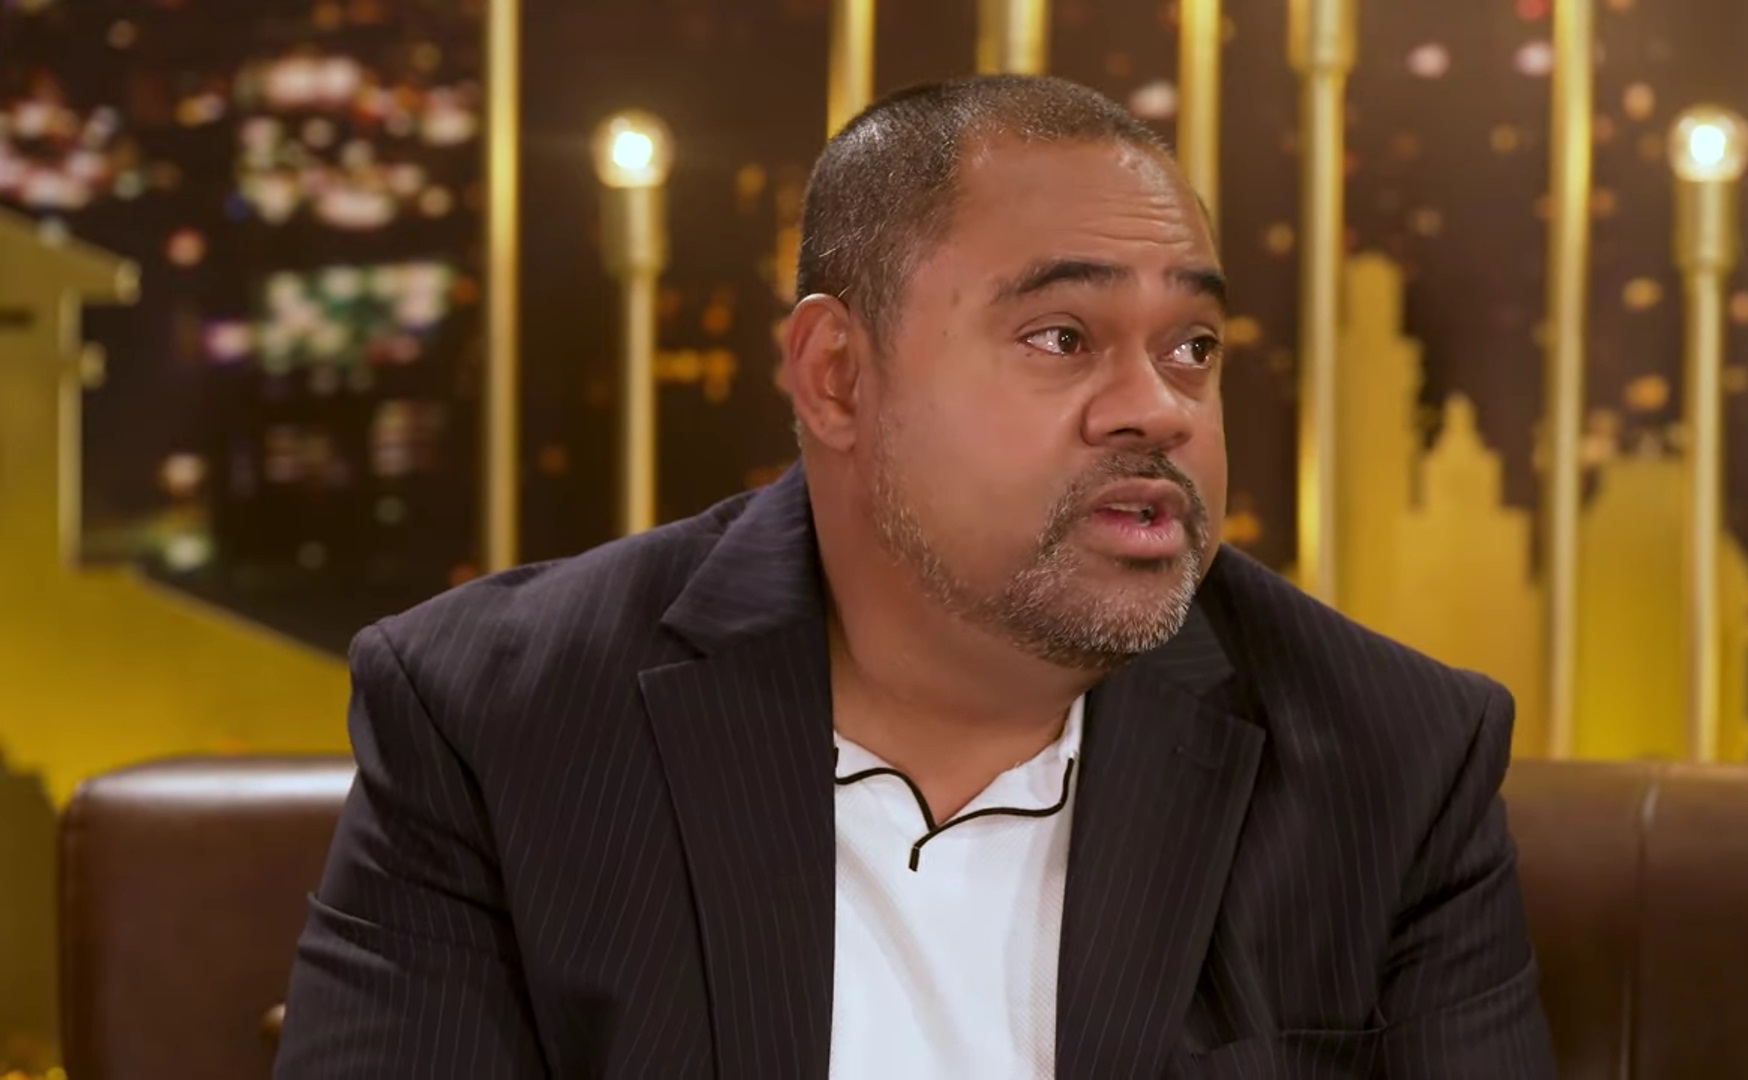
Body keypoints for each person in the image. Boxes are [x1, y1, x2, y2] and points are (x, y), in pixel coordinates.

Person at [275, 74, 1556, 1078]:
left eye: (1191, 347)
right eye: (1061, 336)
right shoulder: (500, 723)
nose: (1158, 408)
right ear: (837, 377)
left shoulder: (1392, 757)